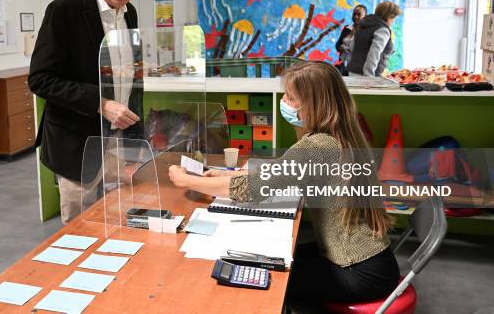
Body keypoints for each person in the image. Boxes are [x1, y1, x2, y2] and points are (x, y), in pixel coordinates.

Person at [168, 61, 399, 306]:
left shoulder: (317, 146)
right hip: (373, 261)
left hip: (358, 272)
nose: (285, 103)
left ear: (314, 104)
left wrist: (186, 180)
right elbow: (279, 172)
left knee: (267, 281)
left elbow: (251, 190)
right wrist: (223, 175)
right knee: (273, 257)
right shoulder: (342, 133)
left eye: (291, 98)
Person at [29, 0, 146, 225]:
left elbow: (128, 77)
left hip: (117, 141)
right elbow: (41, 79)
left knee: (117, 222)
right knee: (80, 230)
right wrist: (101, 104)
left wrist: (135, 139)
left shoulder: (129, 13)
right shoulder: (63, 11)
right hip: (76, 145)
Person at [348, 1, 402, 77]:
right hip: (367, 76)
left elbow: (352, 46)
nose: (393, 21)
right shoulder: (382, 30)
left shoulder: (363, 24)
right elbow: (374, 54)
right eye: (394, 18)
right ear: (389, 17)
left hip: (353, 71)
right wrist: (369, 77)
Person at [335, 4, 367, 75]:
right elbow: (338, 44)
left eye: (359, 14)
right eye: (354, 14)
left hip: (356, 69)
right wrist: (340, 48)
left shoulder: (366, 32)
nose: (356, 16)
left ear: (365, 17)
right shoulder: (347, 28)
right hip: (342, 65)